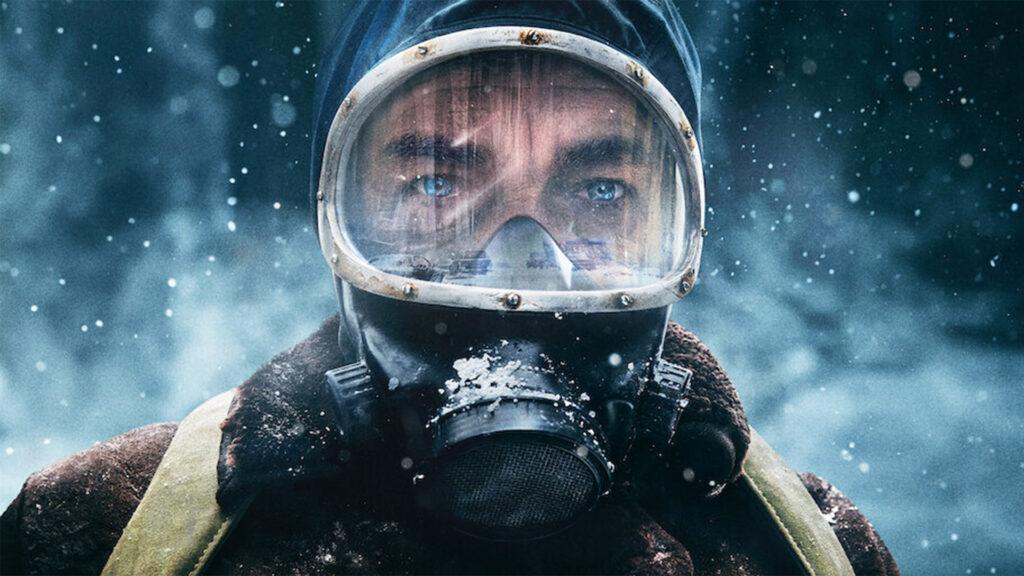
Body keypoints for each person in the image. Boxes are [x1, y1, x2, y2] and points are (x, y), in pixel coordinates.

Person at [1, 1, 899, 574]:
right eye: (436, 185)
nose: (521, 267)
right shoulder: (108, 532)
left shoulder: (807, 550)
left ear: (681, 238)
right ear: (338, 225)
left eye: (600, 193)